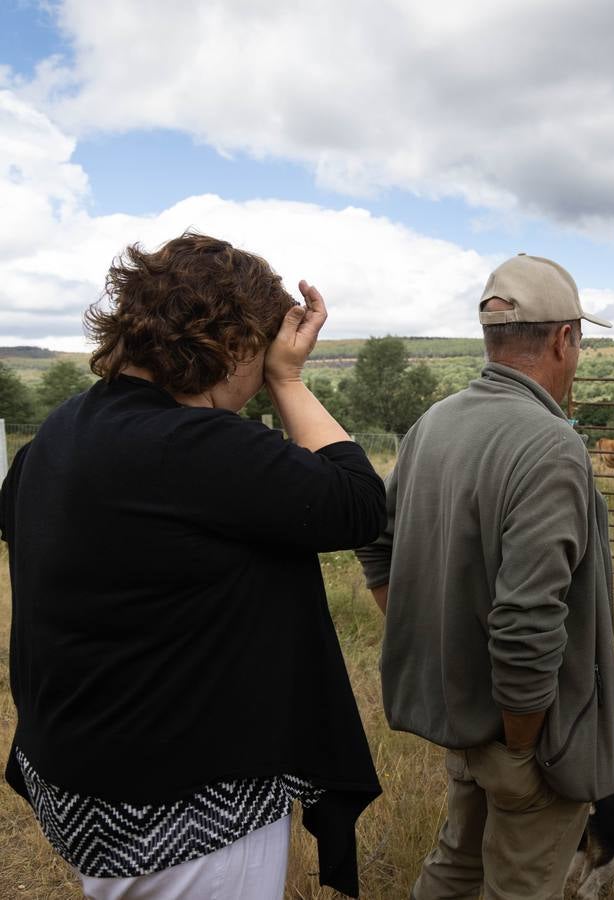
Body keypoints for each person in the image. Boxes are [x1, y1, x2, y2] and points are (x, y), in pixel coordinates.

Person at [0, 233, 385, 899]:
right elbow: (357, 504)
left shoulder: (63, 430)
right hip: (180, 806)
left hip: (88, 781)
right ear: (235, 345)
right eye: (260, 352)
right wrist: (289, 379)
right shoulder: (194, 445)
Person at [357, 253, 614, 900]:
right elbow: (527, 621)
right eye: (579, 342)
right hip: (528, 742)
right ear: (564, 339)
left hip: (468, 722)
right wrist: (523, 743)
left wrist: (443, 647)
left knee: (455, 867)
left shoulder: (433, 424)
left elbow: (372, 539)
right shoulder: (551, 444)